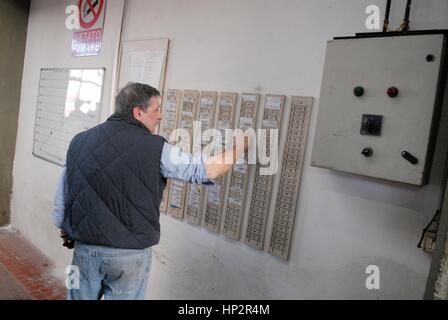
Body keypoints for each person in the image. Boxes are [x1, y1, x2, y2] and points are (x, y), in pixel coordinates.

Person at [52, 83, 250, 300]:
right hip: (130, 257)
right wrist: (240, 147)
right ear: (138, 112)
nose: (160, 116)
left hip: (85, 251)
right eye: (156, 110)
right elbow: (206, 170)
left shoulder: (79, 141)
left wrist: (66, 227)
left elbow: (63, 195)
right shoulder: (156, 148)